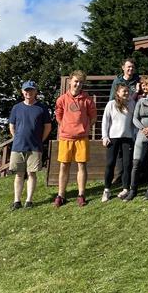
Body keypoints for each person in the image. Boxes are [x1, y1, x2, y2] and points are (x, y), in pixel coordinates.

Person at [54, 70, 97, 207]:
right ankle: (61, 195)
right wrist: (66, 127)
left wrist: (84, 128)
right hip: (65, 138)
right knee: (64, 166)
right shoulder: (62, 99)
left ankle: (81, 194)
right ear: (70, 81)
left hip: (81, 138)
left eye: (81, 82)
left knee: (81, 165)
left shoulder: (87, 100)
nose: (78, 84)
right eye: (76, 81)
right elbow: (58, 116)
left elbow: (93, 117)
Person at [8, 80, 52, 209]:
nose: (29, 92)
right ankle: (16, 201)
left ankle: (29, 201)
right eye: (26, 90)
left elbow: (48, 127)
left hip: (34, 147)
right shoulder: (16, 107)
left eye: (31, 90)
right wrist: (17, 138)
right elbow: (12, 126)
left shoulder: (42, 108)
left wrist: (40, 140)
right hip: (18, 147)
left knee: (32, 173)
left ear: (36, 92)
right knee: (19, 174)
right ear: (22, 92)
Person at [101, 83, 135, 202]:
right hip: (113, 138)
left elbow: (133, 121)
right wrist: (104, 136)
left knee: (127, 164)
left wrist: (134, 136)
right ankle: (107, 190)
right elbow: (105, 121)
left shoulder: (132, 103)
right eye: (123, 91)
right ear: (117, 93)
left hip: (127, 138)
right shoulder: (111, 104)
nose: (126, 93)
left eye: (127, 91)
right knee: (110, 164)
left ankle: (125, 189)